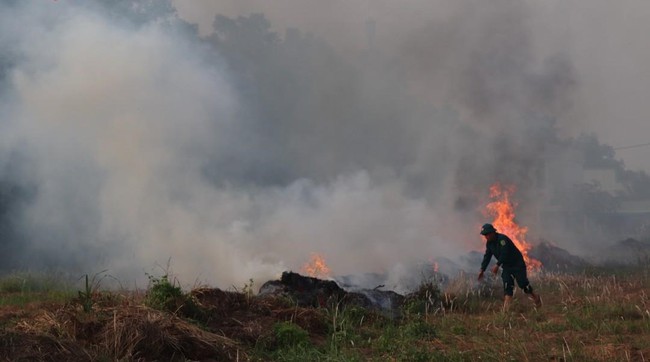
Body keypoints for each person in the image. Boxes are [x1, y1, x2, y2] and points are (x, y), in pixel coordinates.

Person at [477, 223, 541, 310]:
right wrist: (482, 269)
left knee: (523, 284)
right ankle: (506, 310)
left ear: (492, 233)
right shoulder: (489, 244)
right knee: (507, 285)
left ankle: (536, 297)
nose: (486, 237)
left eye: (487, 234)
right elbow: (487, 256)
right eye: (485, 235)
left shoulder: (502, 239)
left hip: (517, 264)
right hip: (507, 266)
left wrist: (497, 265)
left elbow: (505, 253)